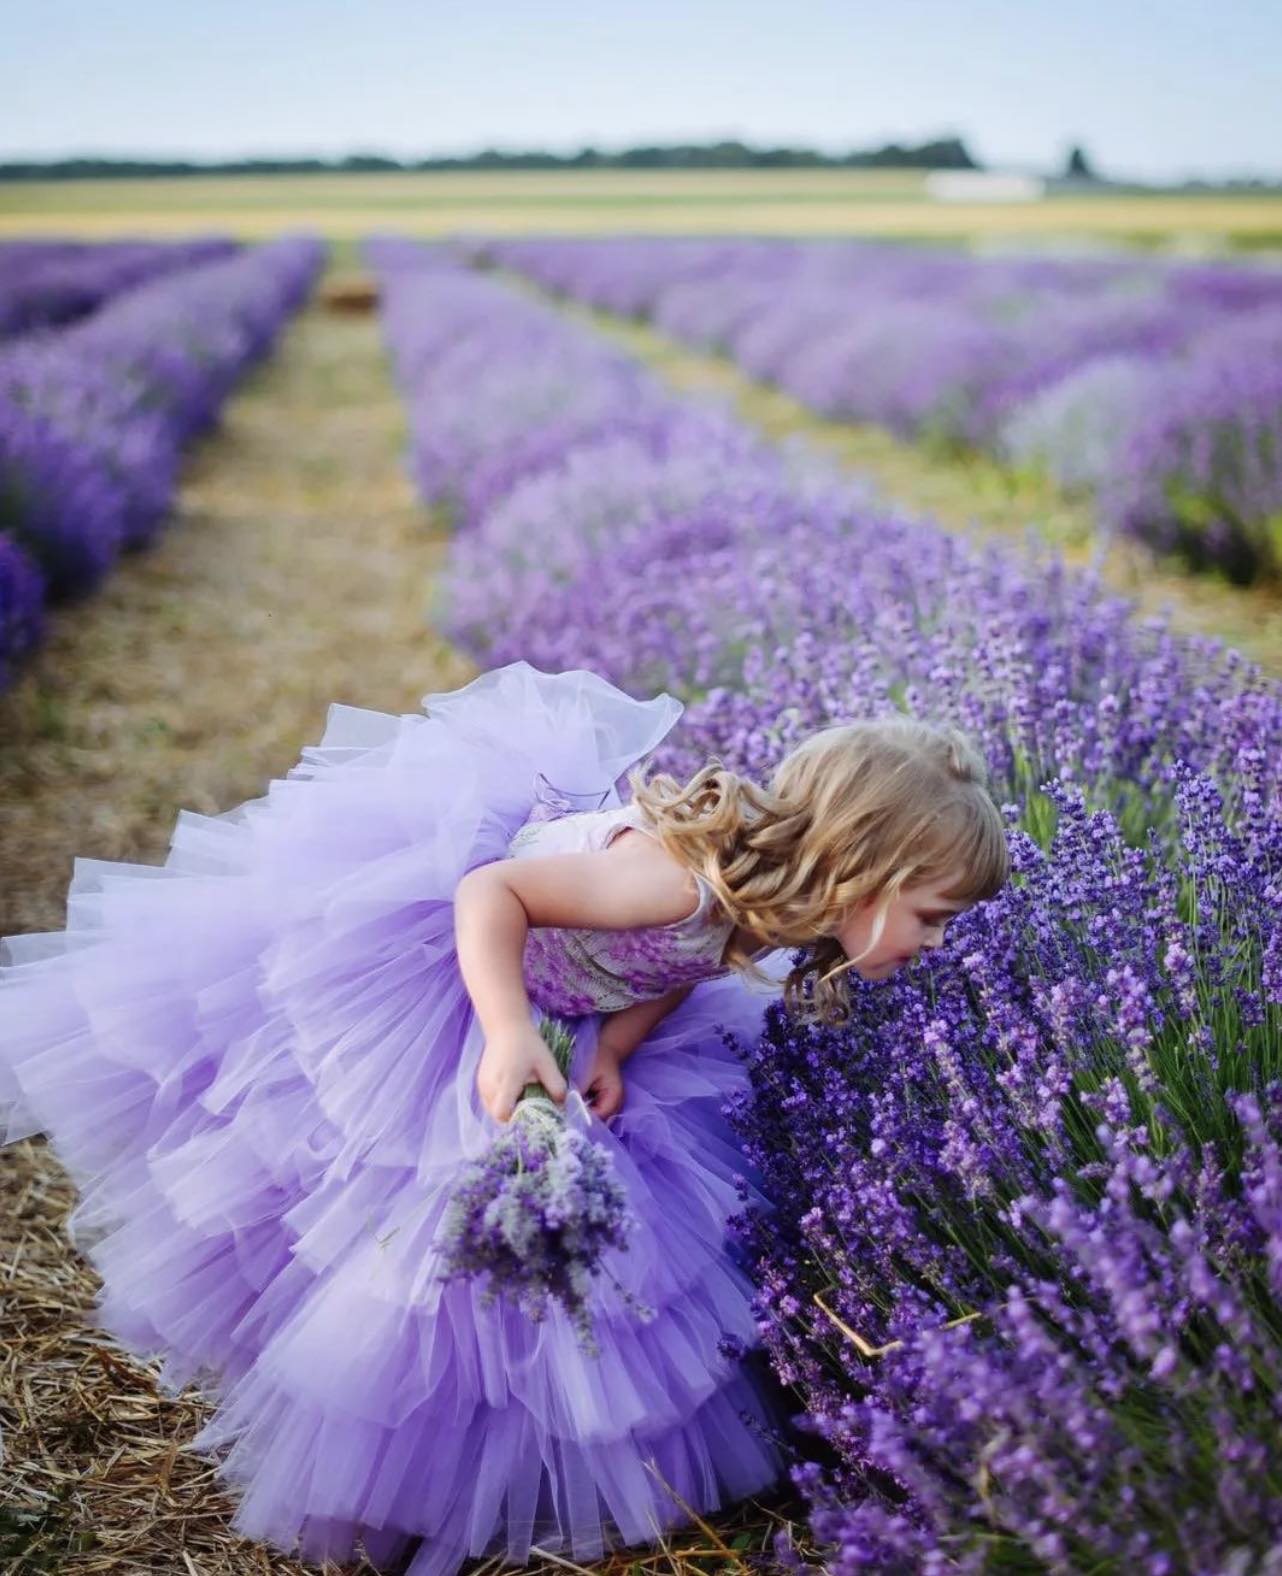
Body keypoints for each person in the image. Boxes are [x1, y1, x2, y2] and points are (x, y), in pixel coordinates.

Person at [0, 661, 1008, 1576]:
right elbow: (492, 892)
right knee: (421, 1230)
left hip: (568, 1011)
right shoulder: (664, 878)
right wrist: (503, 1033)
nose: (934, 942)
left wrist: (613, 1047)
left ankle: (488, 1465)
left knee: (576, 1244)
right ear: (860, 867)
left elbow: (691, 963)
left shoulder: (753, 913)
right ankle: (383, 1468)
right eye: (932, 915)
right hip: (467, 982)